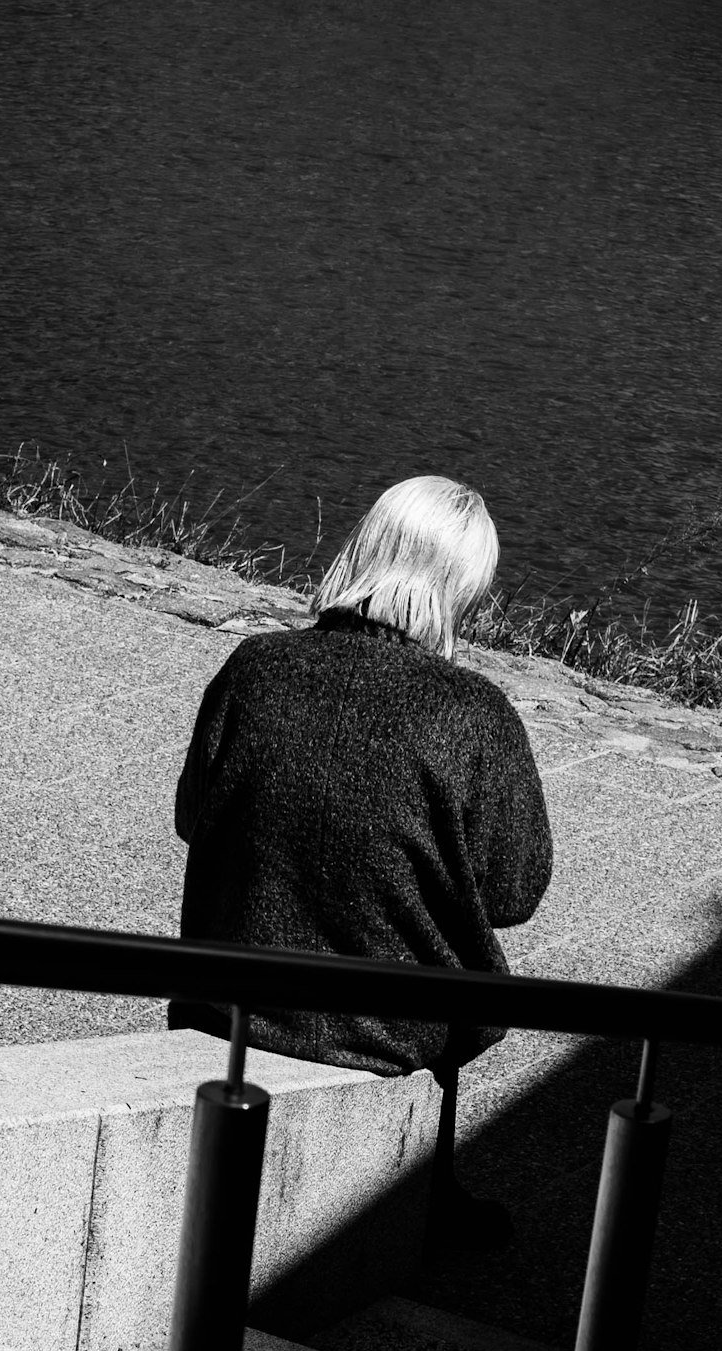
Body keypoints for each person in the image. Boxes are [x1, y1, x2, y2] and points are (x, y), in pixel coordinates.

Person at [169, 474, 553, 1250]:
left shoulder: (255, 667)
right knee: (436, 957)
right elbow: (514, 891)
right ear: (459, 587)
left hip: (228, 999)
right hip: (387, 1028)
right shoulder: (473, 710)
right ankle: (424, 1191)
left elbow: (190, 819)